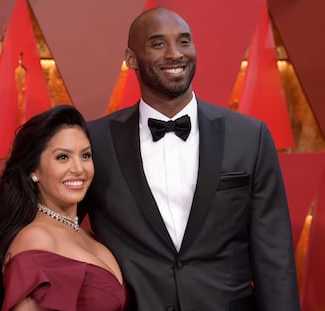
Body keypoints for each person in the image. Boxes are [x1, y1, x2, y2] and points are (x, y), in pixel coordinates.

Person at [79, 7, 301, 311]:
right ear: (131, 58)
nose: (175, 54)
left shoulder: (250, 136)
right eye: (158, 44)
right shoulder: (94, 141)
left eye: (184, 42)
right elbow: (60, 226)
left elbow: (275, 256)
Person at [0, 105, 126, 311]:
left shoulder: (87, 235)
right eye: (63, 157)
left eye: (85, 155)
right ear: (34, 170)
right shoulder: (36, 239)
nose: (79, 169)